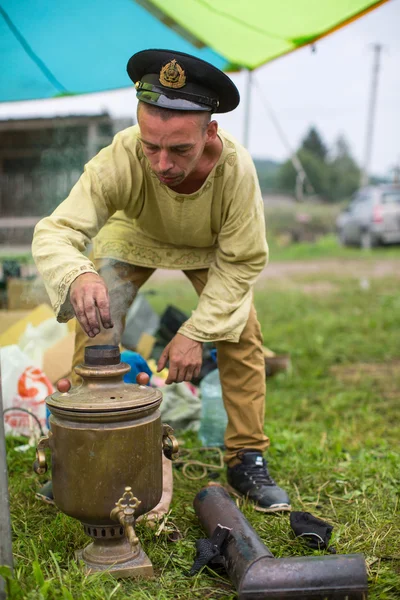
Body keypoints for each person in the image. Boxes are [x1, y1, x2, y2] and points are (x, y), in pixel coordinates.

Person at [32, 49, 290, 513]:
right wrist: (78, 272)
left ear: (210, 131)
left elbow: (243, 261)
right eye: (151, 147)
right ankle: (79, 453)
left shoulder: (237, 170)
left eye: (179, 149)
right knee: (96, 328)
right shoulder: (122, 153)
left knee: (242, 333)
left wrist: (196, 333)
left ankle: (246, 457)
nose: (162, 163)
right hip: (133, 234)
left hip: (213, 248)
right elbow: (57, 230)